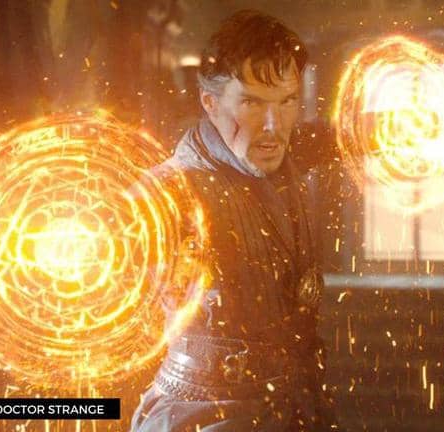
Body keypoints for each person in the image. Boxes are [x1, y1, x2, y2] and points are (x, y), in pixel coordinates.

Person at [131, 9, 338, 431]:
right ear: (210, 103)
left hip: (294, 409)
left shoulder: (279, 153)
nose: (273, 125)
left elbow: (329, 138)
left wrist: (393, 127)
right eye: (251, 102)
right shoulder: (168, 195)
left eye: (287, 101)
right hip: (200, 416)